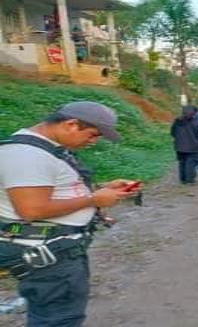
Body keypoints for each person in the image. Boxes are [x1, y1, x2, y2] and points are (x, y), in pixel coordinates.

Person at [0, 101, 139, 327]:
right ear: (72, 124)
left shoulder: (44, 149)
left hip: (53, 249)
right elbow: (32, 209)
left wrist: (102, 188)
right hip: (48, 254)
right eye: (93, 135)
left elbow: (52, 190)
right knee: (58, 320)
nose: (93, 142)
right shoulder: (27, 156)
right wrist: (94, 199)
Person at [171, 105, 198, 185]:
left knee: (182, 162)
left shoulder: (177, 121)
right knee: (191, 163)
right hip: (193, 146)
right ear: (194, 113)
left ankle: (183, 180)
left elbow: (172, 133)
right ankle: (190, 180)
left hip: (179, 146)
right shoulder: (195, 122)